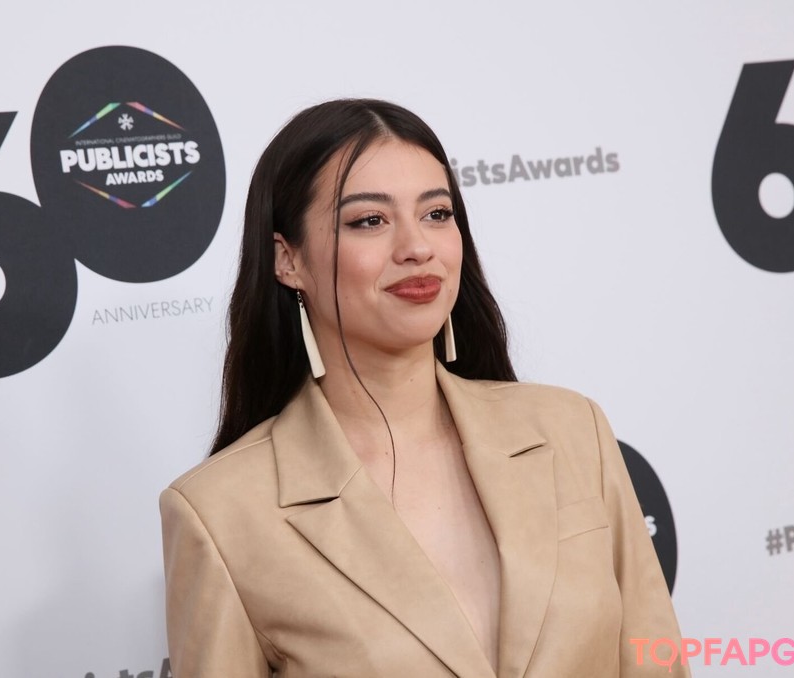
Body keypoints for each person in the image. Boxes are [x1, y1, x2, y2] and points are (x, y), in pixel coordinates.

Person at [160, 99, 689, 677]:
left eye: (437, 213)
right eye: (370, 220)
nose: (417, 247)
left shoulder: (572, 431)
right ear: (288, 260)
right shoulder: (220, 514)